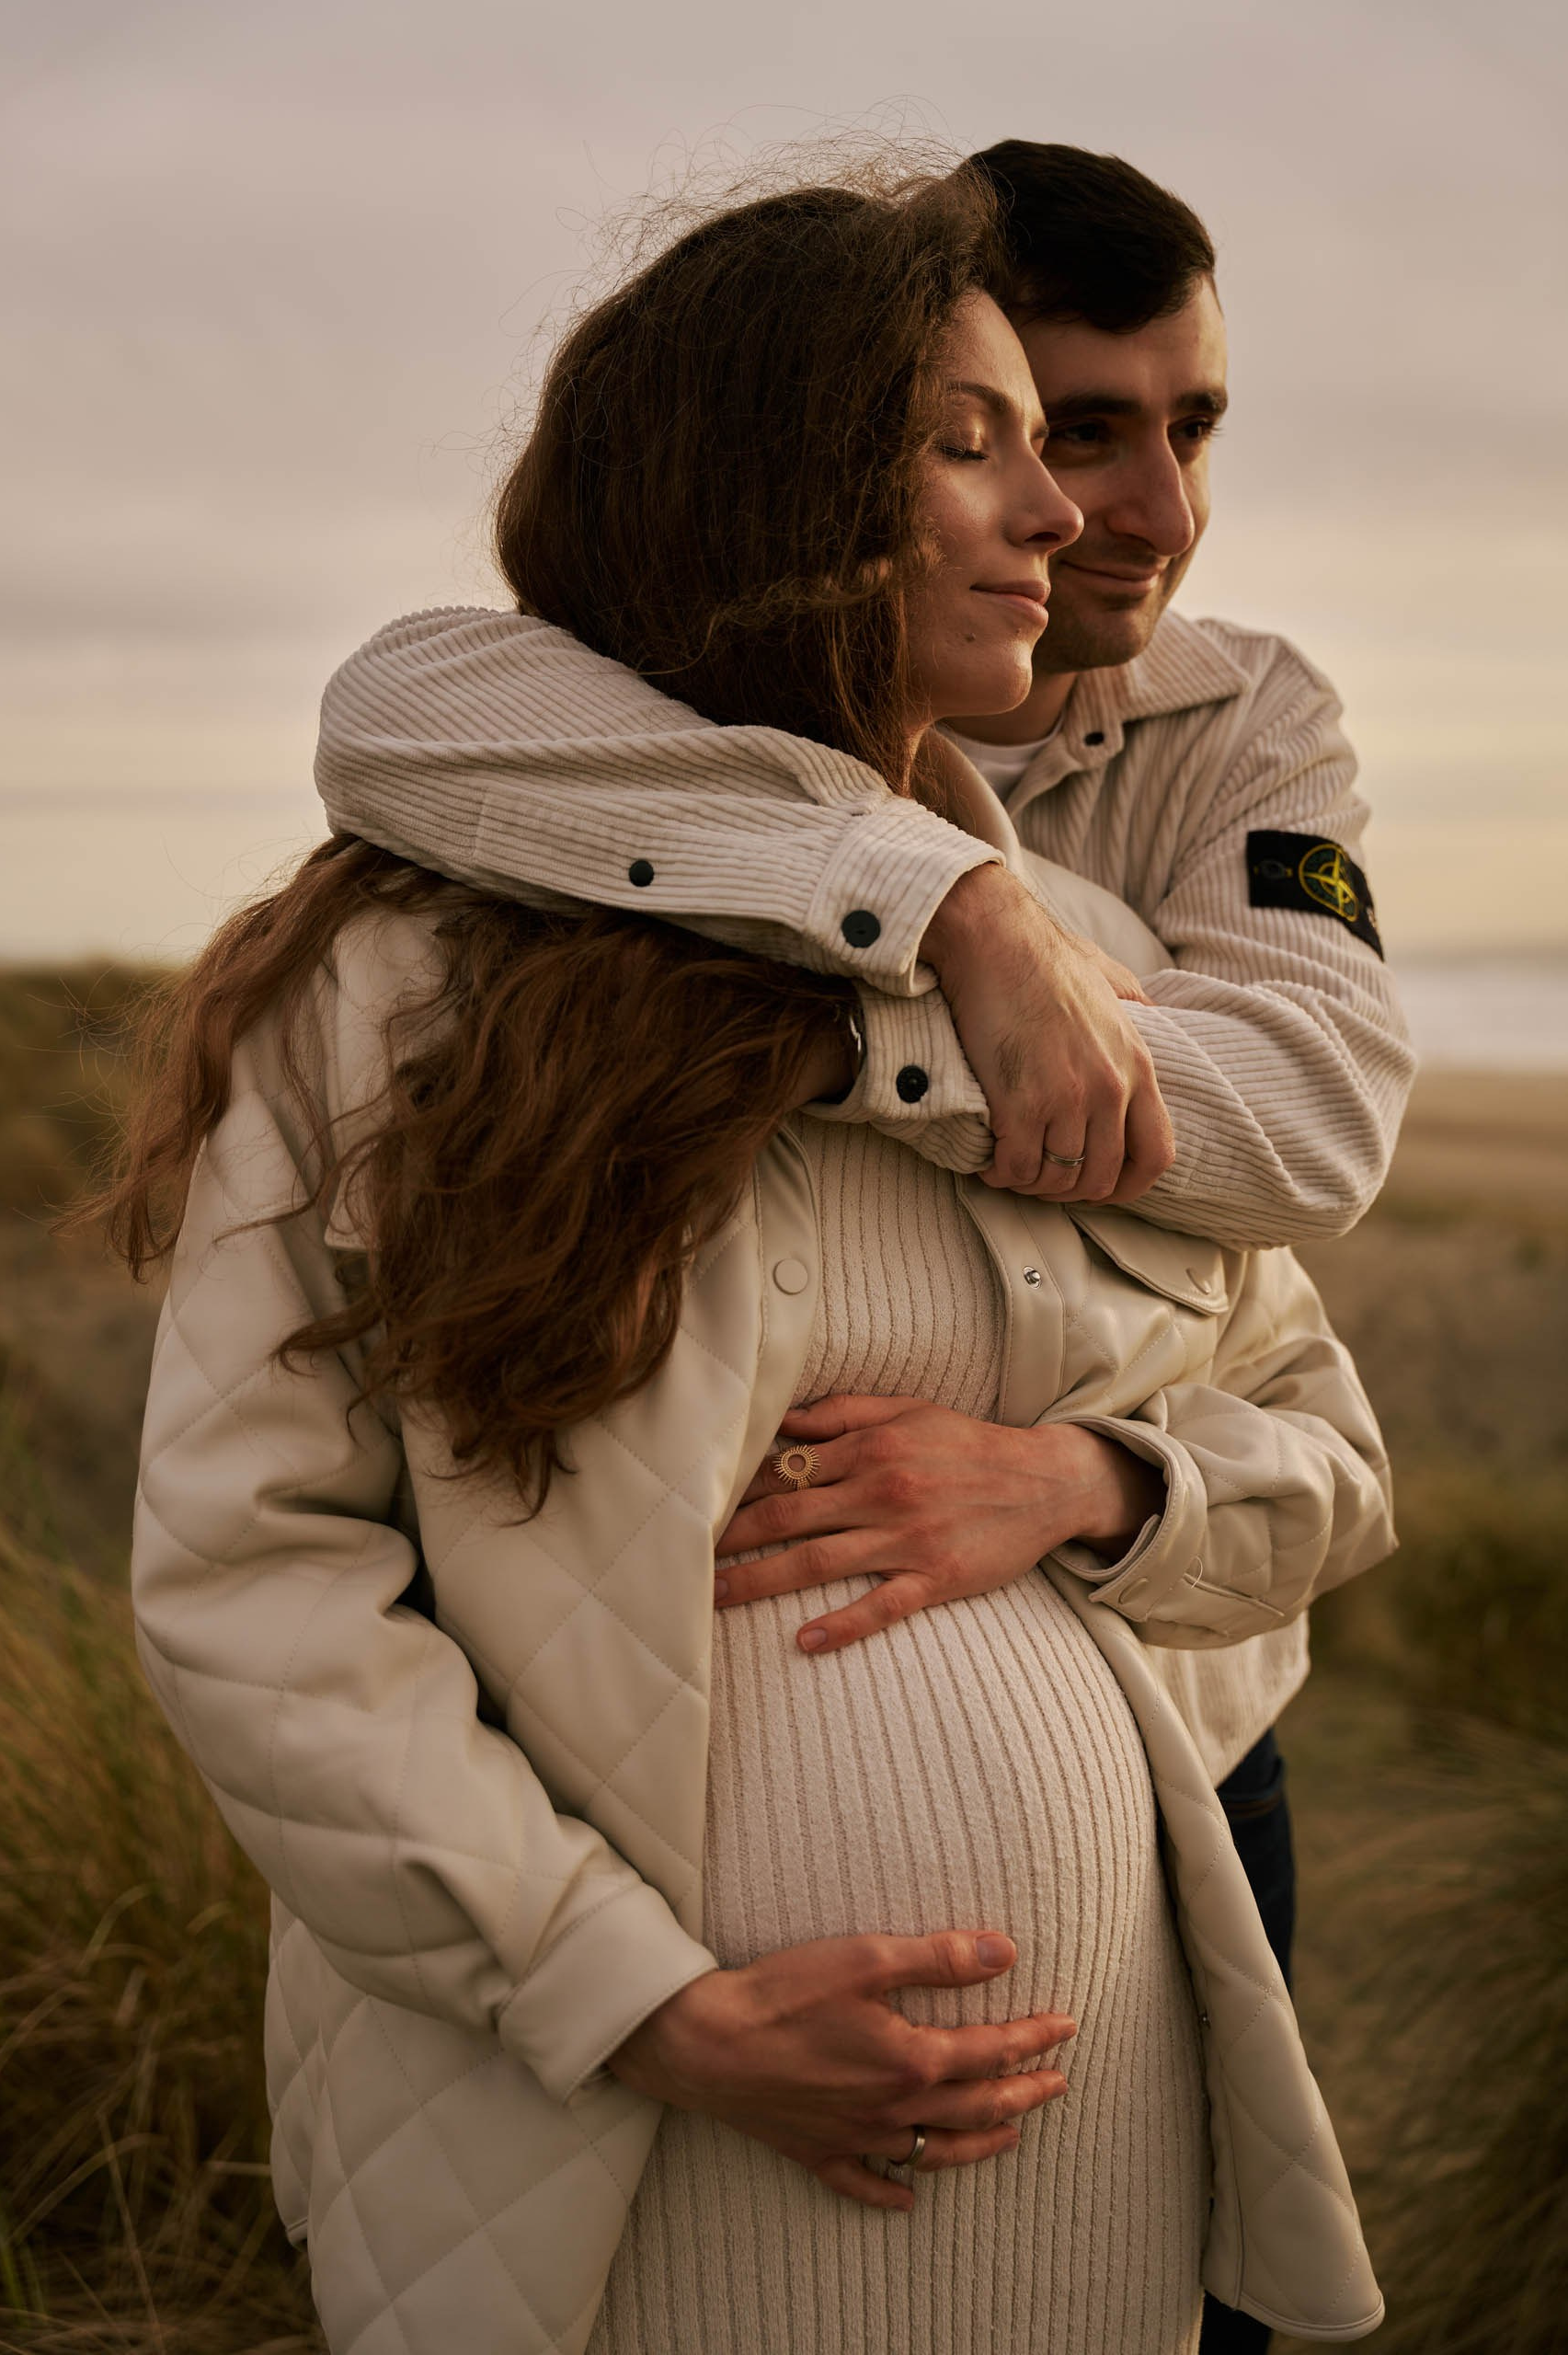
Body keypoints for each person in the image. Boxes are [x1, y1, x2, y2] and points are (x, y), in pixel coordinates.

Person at [115, 170, 1392, 2355]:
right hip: (617, 2135)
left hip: (1094, 2148)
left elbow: (1320, 1450)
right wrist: (647, 2003)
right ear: (774, 480)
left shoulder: (1089, 978)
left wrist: (1088, 1485)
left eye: (1080, 437)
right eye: (972, 442)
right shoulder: (415, 981)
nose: (1078, 516)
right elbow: (253, 1576)